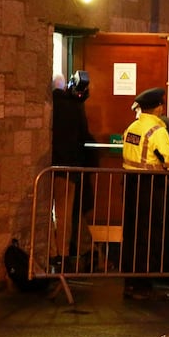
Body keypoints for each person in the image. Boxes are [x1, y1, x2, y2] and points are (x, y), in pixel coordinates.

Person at [121, 87, 169, 300]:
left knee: (132, 233)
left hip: (130, 182)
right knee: (149, 234)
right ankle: (144, 283)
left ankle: (130, 281)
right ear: (158, 107)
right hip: (151, 185)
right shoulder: (158, 131)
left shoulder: (132, 127)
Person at [51, 72, 97, 264]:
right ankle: (62, 254)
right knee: (64, 214)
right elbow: (84, 136)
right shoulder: (74, 106)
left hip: (48, 165)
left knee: (44, 211)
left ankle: (51, 252)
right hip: (69, 166)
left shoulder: (50, 105)